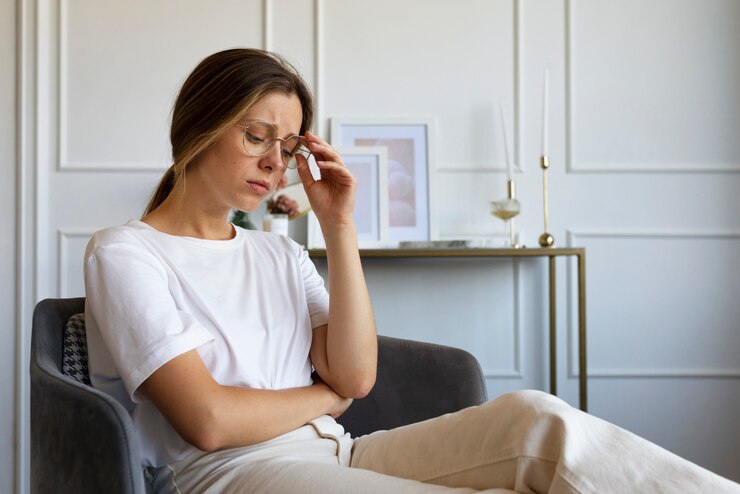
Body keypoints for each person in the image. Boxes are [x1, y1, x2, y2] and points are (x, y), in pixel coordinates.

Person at [83, 48, 739, 494]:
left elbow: (357, 374)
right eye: (256, 137)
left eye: (286, 149)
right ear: (199, 127)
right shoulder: (125, 252)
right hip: (231, 474)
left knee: (536, 419)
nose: (273, 164)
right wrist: (326, 400)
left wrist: (339, 226)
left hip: (337, 451)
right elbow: (209, 421)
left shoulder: (276, 252)